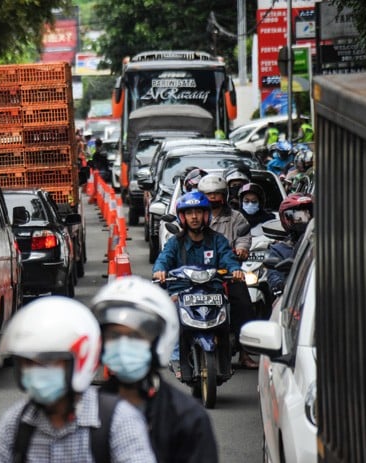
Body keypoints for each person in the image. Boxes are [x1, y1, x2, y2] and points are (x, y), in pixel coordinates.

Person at [0, 296, 157, 463]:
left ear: (80, 361)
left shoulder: (118, 421)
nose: (36, 371)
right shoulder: (16, 422)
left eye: (48, 361)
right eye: (28, 363)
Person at [91, 276, 220, 463]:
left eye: (136, 336)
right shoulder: (85, 414)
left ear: (159, 341)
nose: (124, 345)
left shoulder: (187, 418)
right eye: (114, 336)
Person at [152, 191, 246, 376]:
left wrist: (235, 270)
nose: (194, 217)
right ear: (182, 217)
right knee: (172, 315)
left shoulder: (218, 240)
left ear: (206, 215)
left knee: (229, 313)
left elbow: (228, 258)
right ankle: (176, 357)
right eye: (189, 213)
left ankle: (227, 357)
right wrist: (160, 271)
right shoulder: (175, 243)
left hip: (212, 292)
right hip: (181, 293)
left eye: (198, 212)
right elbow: (164, 259)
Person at [196, 174, 258, 369]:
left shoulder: (236, 217)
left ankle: (244, 352)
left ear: (225, 195)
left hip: (229, 272)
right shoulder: (196, 216)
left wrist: (241, 249)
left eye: (217, 194)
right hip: (199, 273)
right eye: (208, 194)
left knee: (244, 305)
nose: (213, 198)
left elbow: (243, 237)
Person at [267, 193, 313, 294]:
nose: (306, 220)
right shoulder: (280, 249)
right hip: (295, 294)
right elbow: (273, 274)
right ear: (287, 219)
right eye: (299, 216)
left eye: (309, 214)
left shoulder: (327, 243)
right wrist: (279, 284)